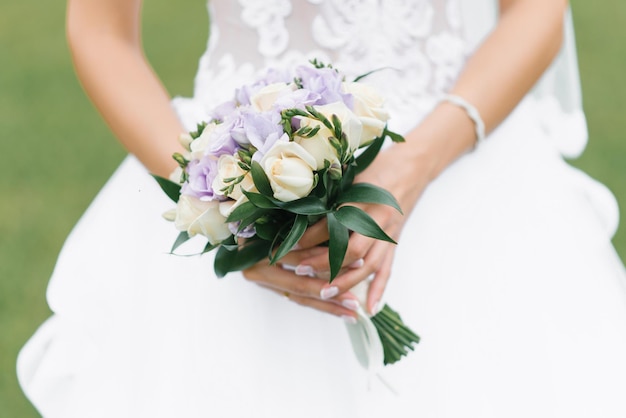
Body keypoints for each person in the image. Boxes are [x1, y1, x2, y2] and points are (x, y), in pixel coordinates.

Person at [17, 0, 626, 417]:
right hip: (244, 169)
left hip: (470, 188)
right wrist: (218, 197)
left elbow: (538, 9)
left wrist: (410, 169)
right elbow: (101, 32)